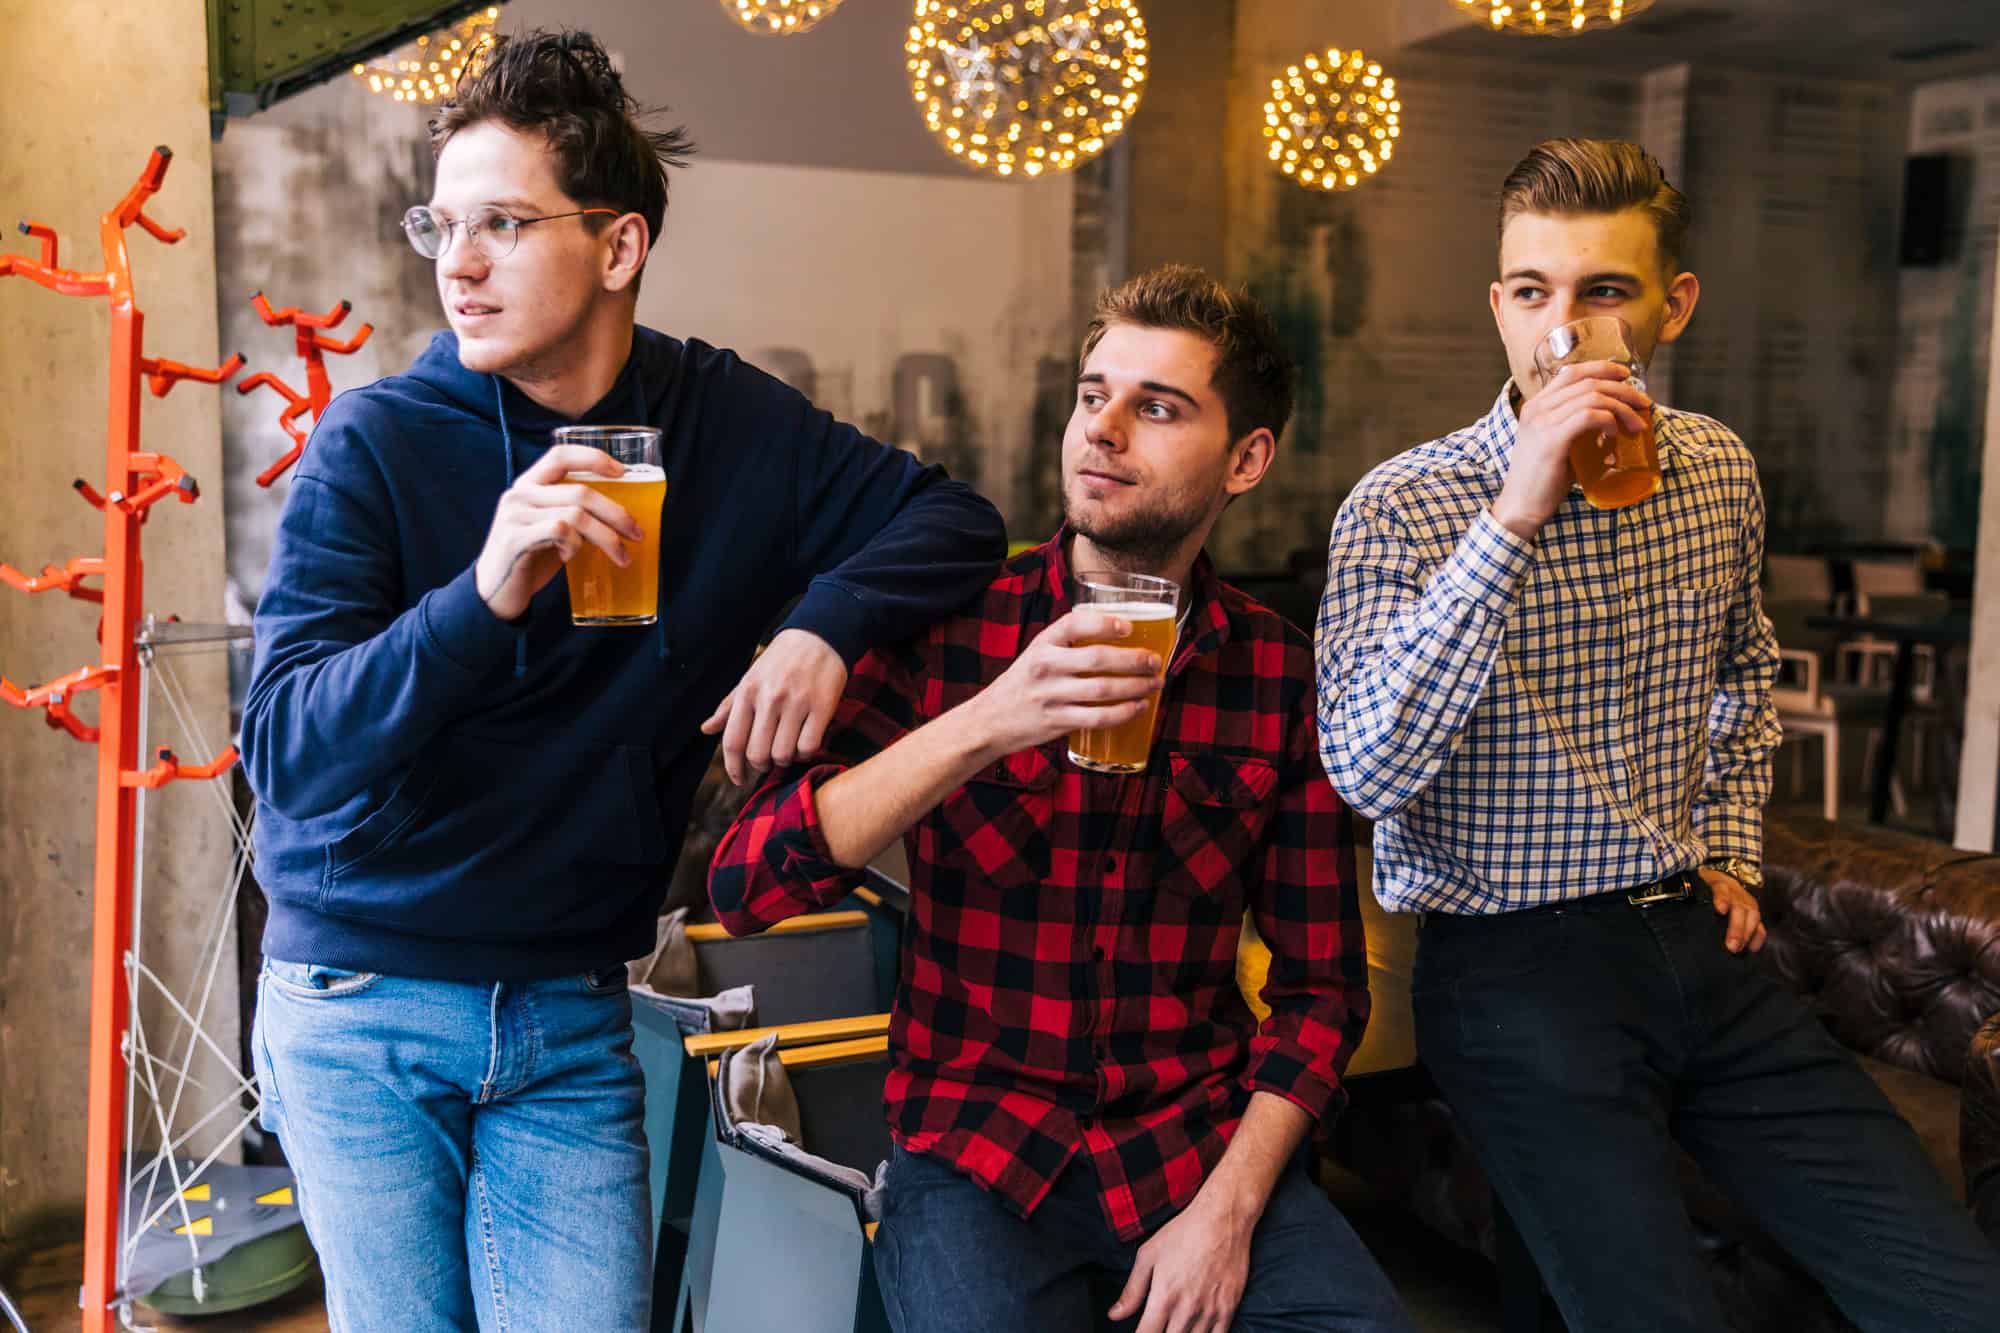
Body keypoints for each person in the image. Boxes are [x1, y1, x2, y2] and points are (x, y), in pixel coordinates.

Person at [238, 30, 1005, 1332]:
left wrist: (822, 624)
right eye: (442, 225)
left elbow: (954, 521)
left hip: (572, 1006)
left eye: (502, 224)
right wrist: (483, 591)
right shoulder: (376, 443)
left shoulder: (725, 423)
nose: (457, 264)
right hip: (363, 1002)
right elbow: (289, 753)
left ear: (618, 245)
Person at [1317, 137, 2000, 1332]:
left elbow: (1742, 674)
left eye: (1602, 292)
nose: (1561, 330)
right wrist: (1511, 519)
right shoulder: (1403, 504)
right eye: (1531, 291)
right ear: (1496, 305)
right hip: (1511, 966)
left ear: (1669, 308)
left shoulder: (1716, 470)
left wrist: (1728, 845)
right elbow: (1364, 768)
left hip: (1697, 943)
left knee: (1951, 1293)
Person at [712, 265, 1413, 1333]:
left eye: (1157, 407)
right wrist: (990, 718)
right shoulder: (953, 623)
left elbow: (1320, 993)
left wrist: (1226, 1215)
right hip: (975, 1154)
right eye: (1093, 395)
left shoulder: (1276, 670)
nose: (1102, 430)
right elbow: (745, 884)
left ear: (1246, 459)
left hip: (1192, 1147)